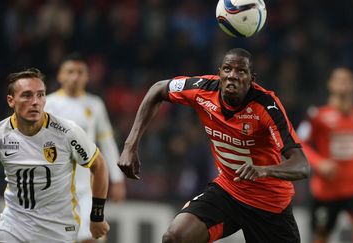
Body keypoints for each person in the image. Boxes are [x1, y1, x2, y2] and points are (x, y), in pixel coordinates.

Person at [118, 48, 310, 243]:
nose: (233, 76)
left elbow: (301, 165)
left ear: (252, 78)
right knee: (174, 237)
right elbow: (158, 88)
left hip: (269, 203)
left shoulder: (267, 106)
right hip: (228, 191)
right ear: (219, 73)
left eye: (241, 71)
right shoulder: (203, 89)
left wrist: (263, 170)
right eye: (227, 69)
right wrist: (130, 145)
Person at [0, 68, 110, 242]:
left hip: (58, 228)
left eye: (40, 95)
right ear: (11, 101)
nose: (35, 102)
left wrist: (96, 216)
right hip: (14, 225)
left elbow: (99, 166)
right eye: (27, 95)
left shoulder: (67, 132)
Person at [44, 53, 126, 242]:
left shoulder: (95, 104)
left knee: (90, 236)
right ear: (60, 75)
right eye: (70, 71)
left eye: (80, 72)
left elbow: (107, 142)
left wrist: (117, 178)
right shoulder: (47, 104)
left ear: (87, 77)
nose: (75, 77)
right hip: (56, 187)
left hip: (87, 185)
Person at [296, 67, 353, 243]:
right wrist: (320, 163)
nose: (343, 84)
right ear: (330, 85)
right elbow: (299, 143)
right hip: (326, 190)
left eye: (347, 80)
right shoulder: (317, 115)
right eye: (339, 80)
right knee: (321, 237)